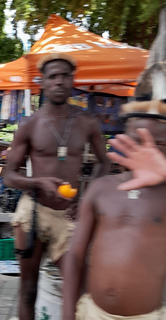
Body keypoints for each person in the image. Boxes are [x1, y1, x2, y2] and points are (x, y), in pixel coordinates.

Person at [3, 53, 110, 320]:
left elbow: (106, 164)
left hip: (69, 216)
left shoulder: (86, 122)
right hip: (34, 213)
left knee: (80, 289)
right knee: (28, 291)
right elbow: (8, 175)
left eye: (65, 75)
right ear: (43, 83)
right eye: (53, 77)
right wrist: (38, 182)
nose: (59, 81)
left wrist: (86, 200)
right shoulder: (30, 125)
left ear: (72, 80)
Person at [62, 105, 166, 319]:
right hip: (93, 313)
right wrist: (67, 312)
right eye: (137, 142)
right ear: (124, 141)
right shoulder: (101, 188)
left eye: (158, 145)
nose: (147, 152)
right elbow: (74, 256)